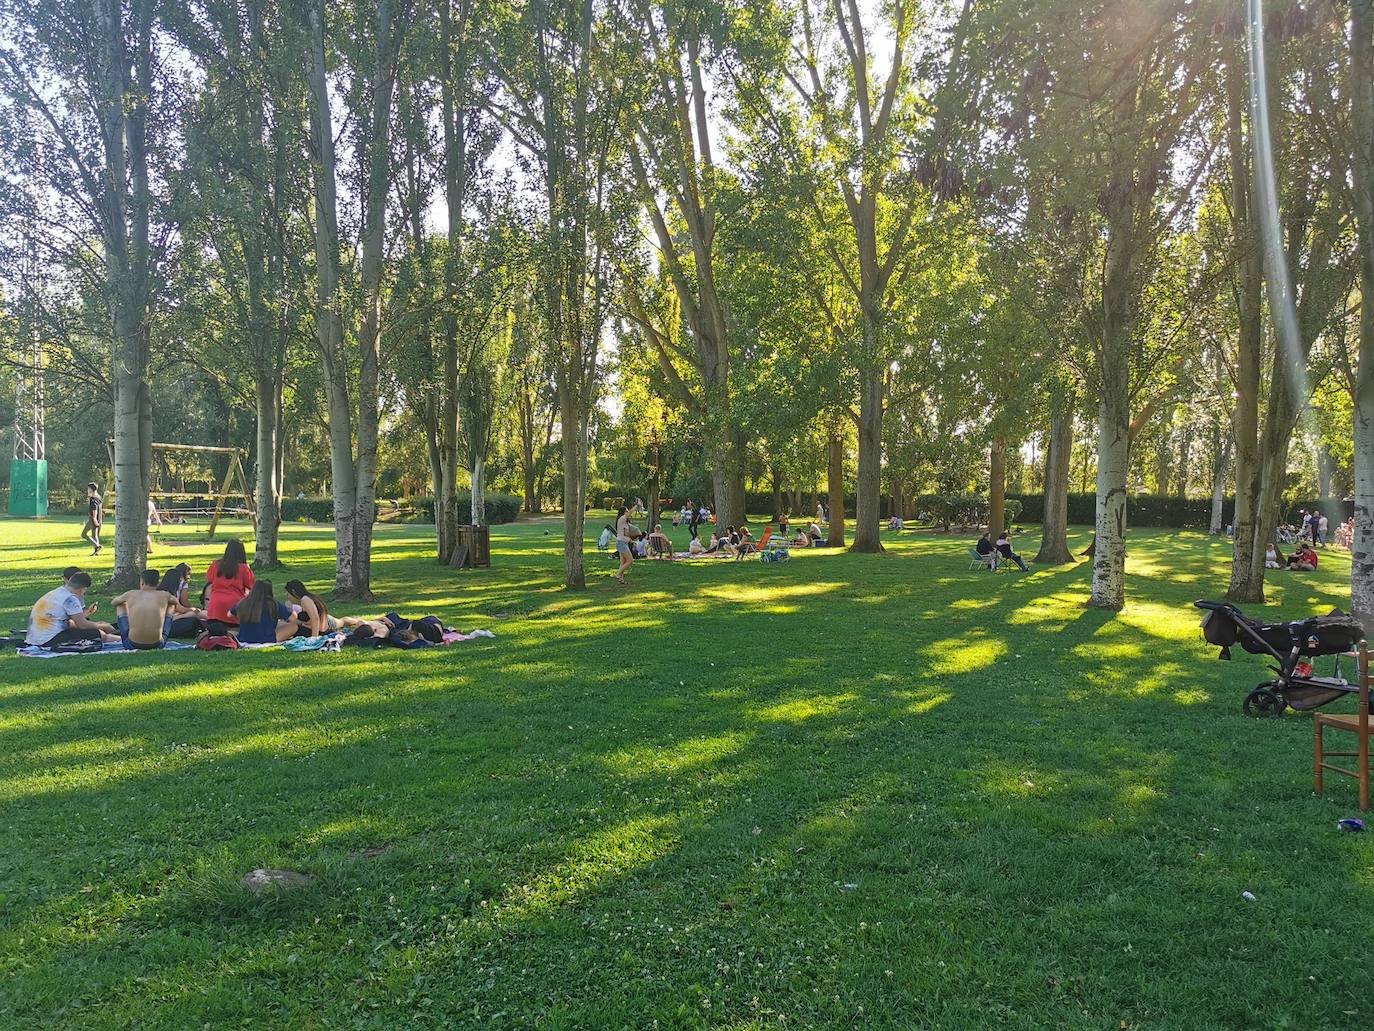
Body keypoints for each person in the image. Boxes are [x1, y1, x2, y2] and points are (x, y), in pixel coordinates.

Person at [26, 571, 119, 648]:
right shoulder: (70, 598)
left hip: (35, 638)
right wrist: (103, 626)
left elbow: (71, 622)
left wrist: (95, 622)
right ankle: (125, 640)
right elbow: (82, 625)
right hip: (49, 640)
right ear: (82, 589)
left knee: (92, 626)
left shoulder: (57, 592)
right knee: (97, 633)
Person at [111, 570, 176, 649]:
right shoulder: (164, 595)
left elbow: (114, 602)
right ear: (157, 583)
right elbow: (175, 601)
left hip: (131, 644)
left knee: (120, 605)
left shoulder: (130, 594)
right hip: (157, 644)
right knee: (171, 605)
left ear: (142, 582)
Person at [205, 539, 254, 631]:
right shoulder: (243, 568)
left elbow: (209, 579)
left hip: (215, 604)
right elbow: (251, 585)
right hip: (234, 604)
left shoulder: (216, 564)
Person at [230, 580, 296, 644]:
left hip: (244, 638)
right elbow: (293, 617)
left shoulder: (244, 602)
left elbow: (229, 614)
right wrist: (291, 608)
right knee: (293, 626)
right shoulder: (273, 603)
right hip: (266, 639)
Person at [159, 562, 205, 637]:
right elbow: (182, 608)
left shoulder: (158, 591)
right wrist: (193, 609)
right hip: (168, 618)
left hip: (161, 618)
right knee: (193, 614)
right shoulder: (171, 596)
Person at [81, 482, 104, 554]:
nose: (88, 490)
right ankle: (97, 552)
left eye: (88, 489)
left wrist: (94, 519)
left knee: (83, 534)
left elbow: (94, 509)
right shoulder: (99, 497)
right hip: (99, 519)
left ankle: (97, 545)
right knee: (95, 535)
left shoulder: (93, 499)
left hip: (93, 520)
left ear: (91, 489)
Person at [614, 505, 635, 585]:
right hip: (621, 543)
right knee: (630, 560)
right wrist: (637, 505)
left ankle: (621, 579)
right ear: (623, 513)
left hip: (622, 543)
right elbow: (630, 512)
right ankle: (618, 574)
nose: (627, 512)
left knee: (623, 562)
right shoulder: (622, 519)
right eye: (626, 511)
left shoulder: (624, 522)